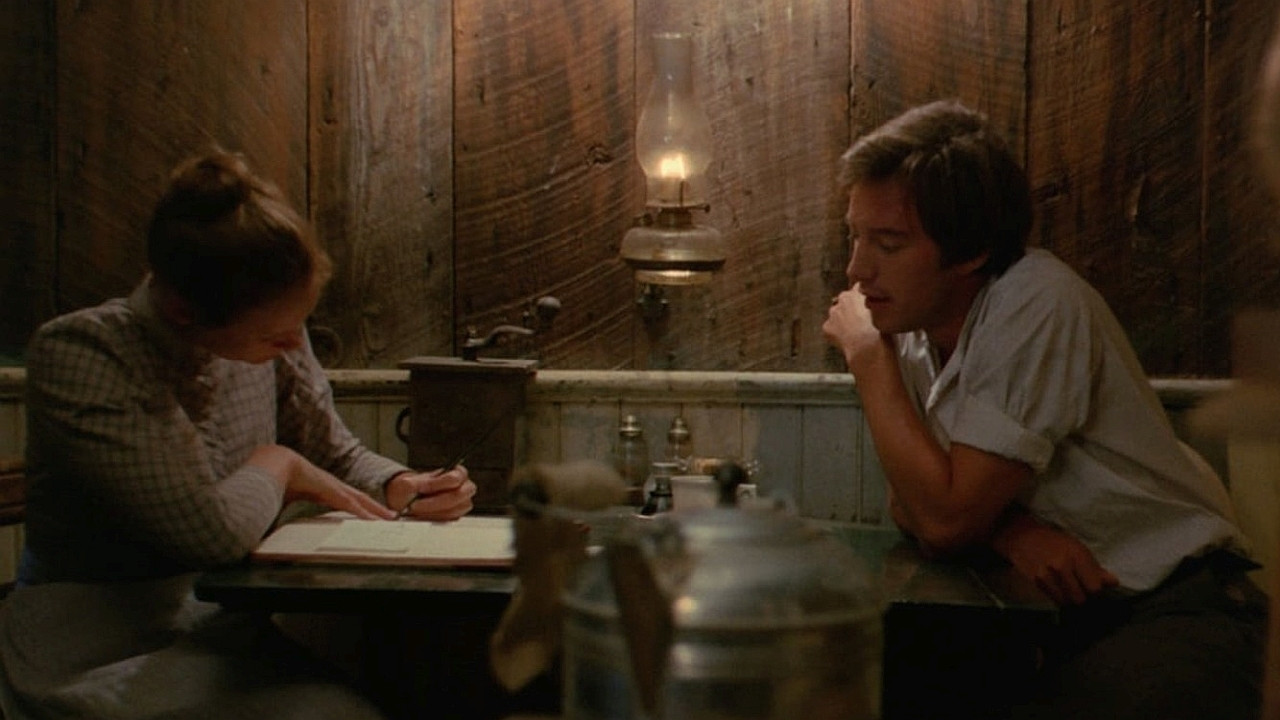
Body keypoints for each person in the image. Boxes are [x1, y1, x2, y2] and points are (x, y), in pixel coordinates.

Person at [822, 100, 1267, 720]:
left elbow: (943, 521)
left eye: (889, 244)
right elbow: (913, 503)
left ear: (971, 252)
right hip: (1063, 616)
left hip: (1180, 609)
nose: (857, 269)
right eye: (857, 235)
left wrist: (869, 359)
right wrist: (1012, 532)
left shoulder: (1034, 302)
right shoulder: (919, 330)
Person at [0, 150, 476, 719]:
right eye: (276, 335)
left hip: (219, 628)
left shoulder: (267, 327)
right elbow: (209, 535)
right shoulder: (85, 354)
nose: (293, 345)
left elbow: (331, 451)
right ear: (182, 311)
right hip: (92, 644)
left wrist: (399, 485)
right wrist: (278, 464)